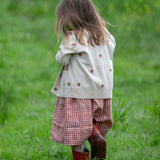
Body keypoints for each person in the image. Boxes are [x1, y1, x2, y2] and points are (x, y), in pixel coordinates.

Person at [50, 0, 116, 159]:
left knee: (76, 130)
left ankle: (90, 140)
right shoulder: (106, 34)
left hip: (78, 91)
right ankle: (96, 134)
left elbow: (61, 60)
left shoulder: (73, 36)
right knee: (91, 119)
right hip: (102, 90)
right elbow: (110, 53)